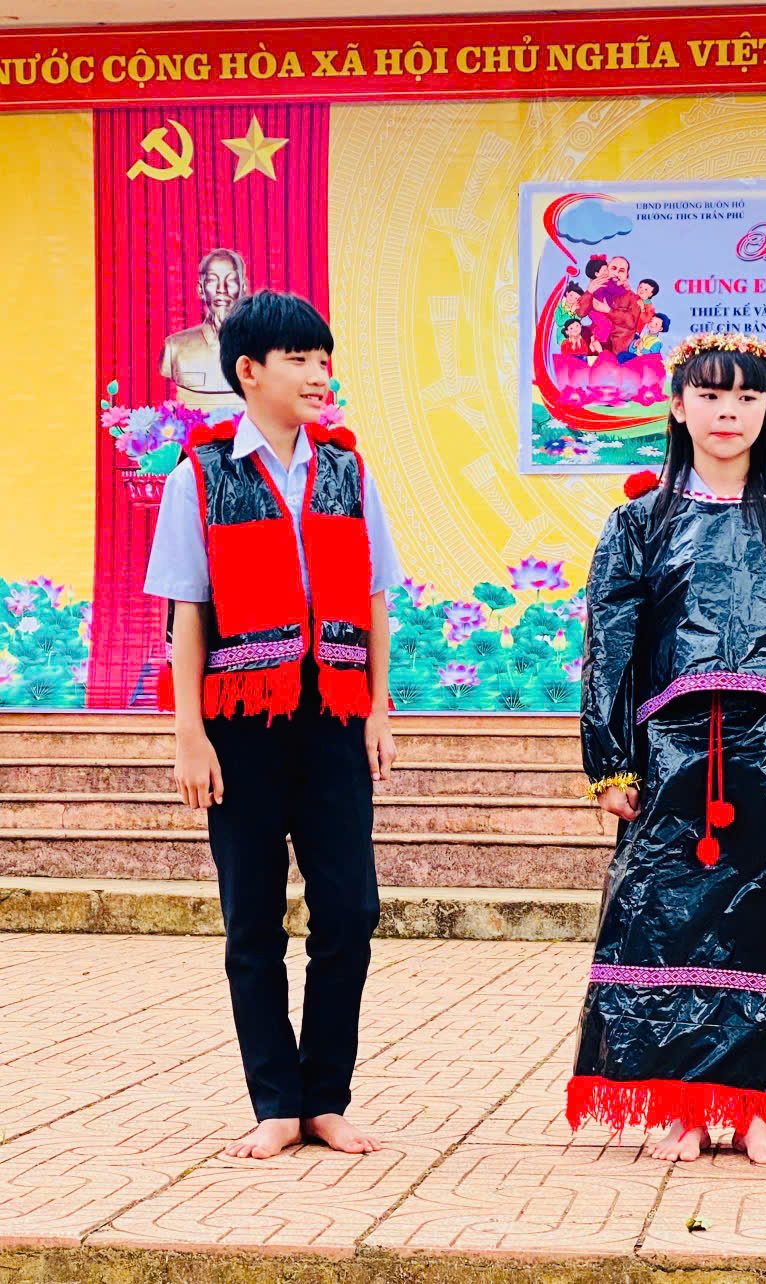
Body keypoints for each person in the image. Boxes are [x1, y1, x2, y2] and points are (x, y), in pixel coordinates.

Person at [568, 331, 766, 1165]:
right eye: (708, 394)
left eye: (746, 396)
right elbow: (610, 648)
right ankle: (684, 1107)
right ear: (677, 407)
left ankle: (755, 1108)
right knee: (665, 926)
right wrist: (609, 759)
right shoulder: (637, 523)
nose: (727, 411)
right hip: (668, 755)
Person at [144, 290, 403, 1161]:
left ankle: (326, 1098)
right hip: (240, 729)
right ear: (249, 371)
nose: (319, 374)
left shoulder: (348, 472)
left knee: (350, 913)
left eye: (324, 359)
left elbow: (374, 597)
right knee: (252, 922)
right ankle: (276, 1104)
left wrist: (378, 707)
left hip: (333, 719)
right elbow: (187, 613)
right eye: (299, 359)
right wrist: (189, 735)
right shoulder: (198, 476)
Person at [160, 248, 249, 409]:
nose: (221, 289)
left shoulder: (265, 346)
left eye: (230, 280)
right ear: (201, 289)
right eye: (212, 280)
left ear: (243, 287)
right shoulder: (175, 347)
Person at [577, 255, 640, 355]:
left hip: (617, 348)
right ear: (607, 270)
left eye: (622, 271)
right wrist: (589, 292)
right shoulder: (597, 287)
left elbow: (631, 322)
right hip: (595, 342)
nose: (616, 273)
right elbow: (580, 312)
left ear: (626, 276)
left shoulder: (633, 298)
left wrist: (609, 311)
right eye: (613, 268)